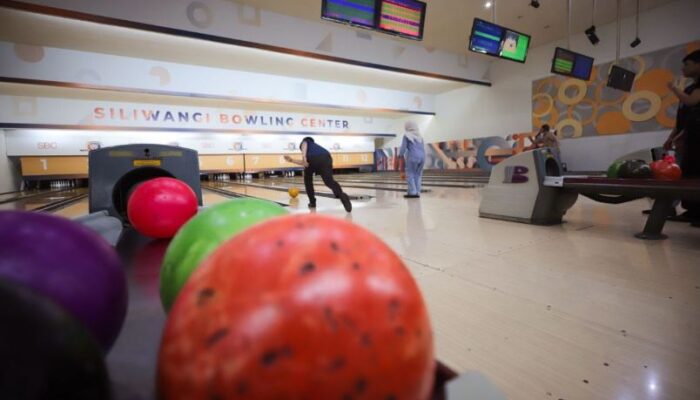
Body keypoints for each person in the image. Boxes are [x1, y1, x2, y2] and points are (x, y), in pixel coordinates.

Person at [665, 49, 700, 226]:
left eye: (687, 64)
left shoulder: (691, 91)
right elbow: (682, 120)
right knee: (688, 172)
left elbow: (692, 101)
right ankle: (693, 211)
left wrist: (673, 88)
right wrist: (672, 137)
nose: (683, 68)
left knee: (695, 173)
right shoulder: (689, 88)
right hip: (690, 136)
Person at [284, 137, 352, 212]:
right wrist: (292, 160)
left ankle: (312, 202)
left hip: (312, 159)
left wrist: (304, 157)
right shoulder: (317, 147)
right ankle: (341, 194)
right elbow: (305, 163)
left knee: (308, 181)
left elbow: (304, 146)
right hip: (326, 157)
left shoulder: (306, 142)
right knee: (328, 181)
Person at [399, 121, 426, 198]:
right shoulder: (420, 136)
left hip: (413, 157)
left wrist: (400, 155)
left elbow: (403, 148)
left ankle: (412, 192)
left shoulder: (406, 135)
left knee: (410, 174)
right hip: (423, 157)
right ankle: (417, 192)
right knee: (418, 175)